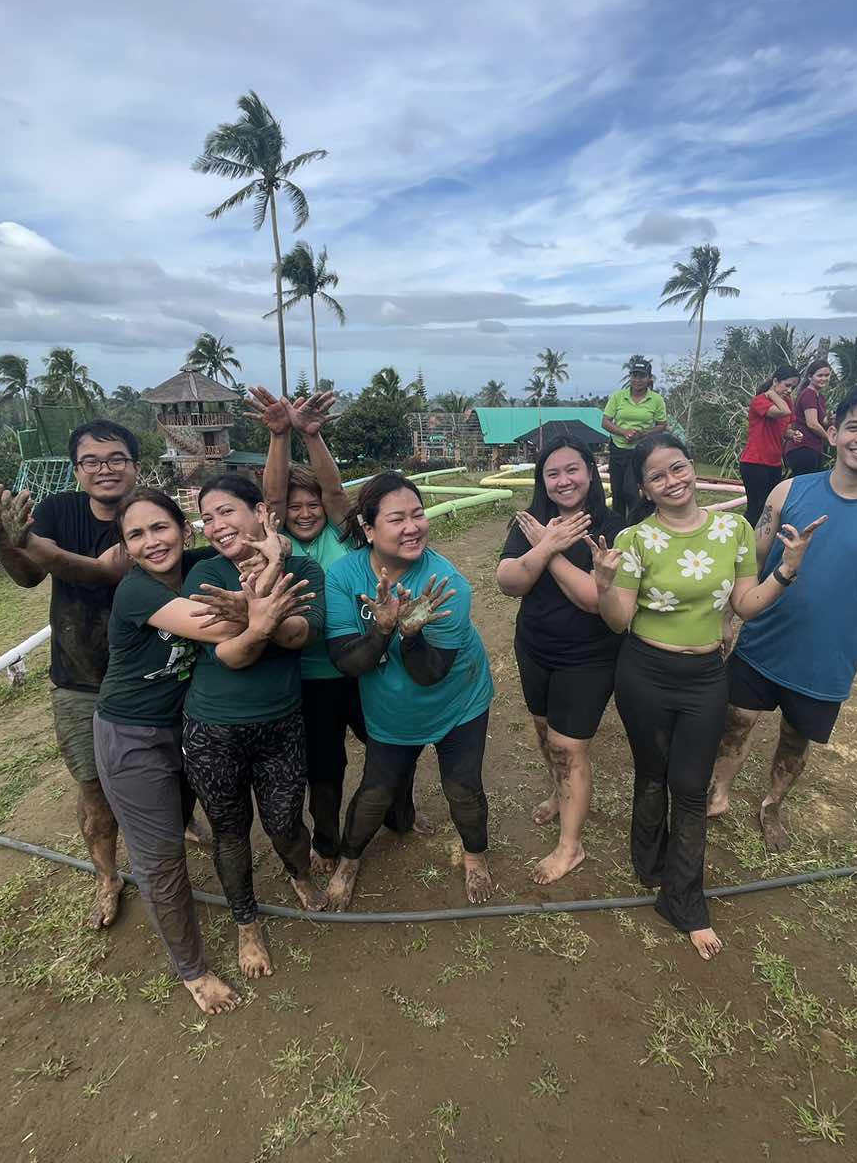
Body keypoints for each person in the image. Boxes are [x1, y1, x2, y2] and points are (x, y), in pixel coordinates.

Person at [0, 420, 171, 931]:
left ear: (134, 464)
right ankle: (107, 876)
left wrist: (21, 539)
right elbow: (29, 575)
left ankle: (176, 830)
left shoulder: (146, 516)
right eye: (92, 461)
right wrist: (2, 542)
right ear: (76, 469)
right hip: (78, 677)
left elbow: (99, 571)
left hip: (153, 673)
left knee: (168, 769)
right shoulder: (57, 510)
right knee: (93, 789)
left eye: (116, 458)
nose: (105, 469)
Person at [590, 433, 824, 960]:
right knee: (651, 775)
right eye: (657, 476)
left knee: (690, 788)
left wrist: (788, 569)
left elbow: (745, 604)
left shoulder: (733, 529)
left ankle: (684, 902)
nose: (672, 481)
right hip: (644, 673)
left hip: (703, 676)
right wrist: (605, 584)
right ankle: (648, 864)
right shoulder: (634, 539)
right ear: (645, 490)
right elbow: (619, 621)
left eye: (678, 467)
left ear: (691, 467)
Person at [710, 385, 857, 853]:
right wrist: (726, 620)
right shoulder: (788, 491)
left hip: (828, 660)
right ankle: (718, 794)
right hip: (763, 643)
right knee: (734, 722)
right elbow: (748, 561)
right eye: (854, 426)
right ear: (832, 433)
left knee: (796, 740)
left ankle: (772, 803)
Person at [91, 489, 260, 1014]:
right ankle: (193, 971)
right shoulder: (136, 592)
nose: (151, 541)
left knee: (183, 823)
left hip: (186, 723)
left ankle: (183, 829)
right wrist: (257, 608)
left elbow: (257, 535)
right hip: (132, 735)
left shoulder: (200, 565)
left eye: (159, 527)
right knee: (161, 864)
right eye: (135, 535)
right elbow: (230, 624)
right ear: (126, 548)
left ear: (184, 529)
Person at [250, 384, 422, 872]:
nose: (304, 513)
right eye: (295, 507)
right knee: (325, 768)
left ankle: (400, 815)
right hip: (311, 677)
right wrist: (279, 437)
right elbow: (273, 497)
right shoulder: (276, 544)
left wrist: (311, 435)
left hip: (365, 665)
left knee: (391, 746)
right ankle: (326, 842)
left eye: (314, 506)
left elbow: (333, 491)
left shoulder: (343, 538)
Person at [322, 474, 496, 911]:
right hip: (391, 707)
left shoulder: (447, 585)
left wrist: (412, 635)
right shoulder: (344, 576)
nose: (412, 526)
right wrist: (383, 627)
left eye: (418, 514)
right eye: (397, 518)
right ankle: (349, 859)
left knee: (462, 788)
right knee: (376, 792)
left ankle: (475, 855)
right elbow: (348, 662)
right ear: (368, 529)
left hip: (458, 699)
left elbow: (431, 674)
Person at [182, 475, 326, 979]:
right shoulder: (202, 573)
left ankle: (298, 871)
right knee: (230, 830)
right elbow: (232, 655)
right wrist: (260, 613)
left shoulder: (305, 569)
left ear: (260, 511)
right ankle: (246, 923)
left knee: (286, 822)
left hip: (281, 725)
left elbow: (301, 635)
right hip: (213, 730)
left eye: (227, 511)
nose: (216, 525)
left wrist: (264, 586)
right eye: (208, 517)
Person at [496, 437, 624, 884]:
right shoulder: (530, 523)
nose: (563, 480)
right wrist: (545, 542)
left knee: (570, 747)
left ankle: (571, 847)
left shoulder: (612, 526)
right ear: (542, 481)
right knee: (544, 732)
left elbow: (594, 599)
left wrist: (546, 552)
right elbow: (508, 581)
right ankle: (558, 792)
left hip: (589, 656)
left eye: (573, 470)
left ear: (590, 472)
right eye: (553, 473)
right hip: (534, 646)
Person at [602, 356, 668, 522]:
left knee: (630, 490)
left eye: (642, 376)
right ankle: (616, 529)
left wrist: (643, 434)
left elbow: (662, 425)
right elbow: (605, 422)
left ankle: (635, 525)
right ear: (630, 377)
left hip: (640, 450)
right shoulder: (618, 397)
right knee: (617, 493)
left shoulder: (656, 399)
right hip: (618, 448)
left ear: (649, 378)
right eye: (635, 375)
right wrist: (623, 432)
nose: (637, 380)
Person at [740, 365, 800, 526]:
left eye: (793, 387)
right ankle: (742, 543)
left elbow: (784, 429)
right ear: (775, 381)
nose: (789, 390)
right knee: (756, 508)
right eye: (787, 385)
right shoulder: (760, 401)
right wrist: (772, 394)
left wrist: (793, 435)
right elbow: (783, 412)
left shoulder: (786, 402)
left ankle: (762, 545)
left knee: (771, 508)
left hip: (773, 463)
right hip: (754, 462)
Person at [783, 359, 834, 477]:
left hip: (814, 448)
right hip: (803, 448)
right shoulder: (809, 394)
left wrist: (830, 419)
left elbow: (822, 422)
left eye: (826, 375)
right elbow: (812, 424)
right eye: (820, 375)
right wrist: (830, 439)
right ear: (810, 377)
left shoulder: (820, 397)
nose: (824, 378)